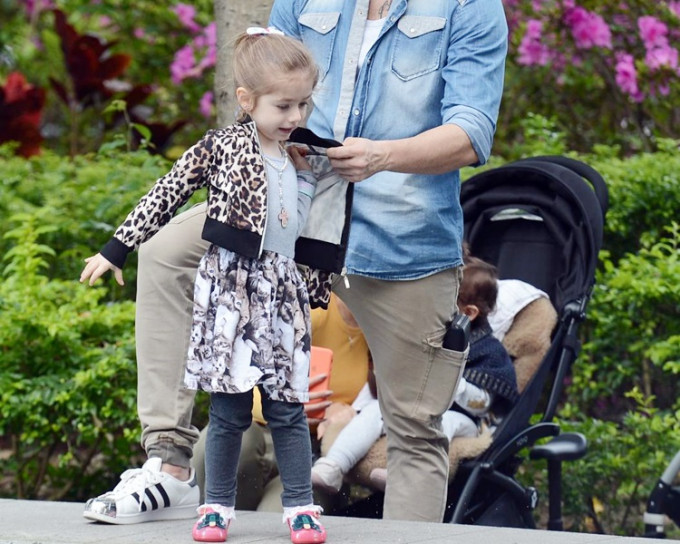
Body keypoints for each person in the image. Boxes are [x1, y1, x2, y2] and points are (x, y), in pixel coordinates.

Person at [83, 0, 508, 525]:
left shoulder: (470, 7)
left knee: (415, 431)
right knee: (168, 252)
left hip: (403, 245)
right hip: (288, 219)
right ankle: (169, 464)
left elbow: (471, 132)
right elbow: (262, 96)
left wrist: (382, 157)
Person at [80, 28, 329, 544]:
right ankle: (215, 507)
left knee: (285, 407)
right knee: (229, 410)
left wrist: (308, 179)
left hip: (280, 294)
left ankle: (301, 508)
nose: (296, 117)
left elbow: (298, 222)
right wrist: (116, 247)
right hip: (231, 293)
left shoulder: (297, 154)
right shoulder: (222, 147)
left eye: (303, 104)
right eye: (284, 106)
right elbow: (168, 192)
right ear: (246, 100)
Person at [311, 256, 519, 494]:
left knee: (441, 422)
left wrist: (454, 383)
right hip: (412, 407)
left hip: (460, 419)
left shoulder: (488, 349)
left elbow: (482, 404)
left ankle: (403, 474)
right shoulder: (429, 334)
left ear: (469, 312)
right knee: (376, 411)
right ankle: (333, 466)